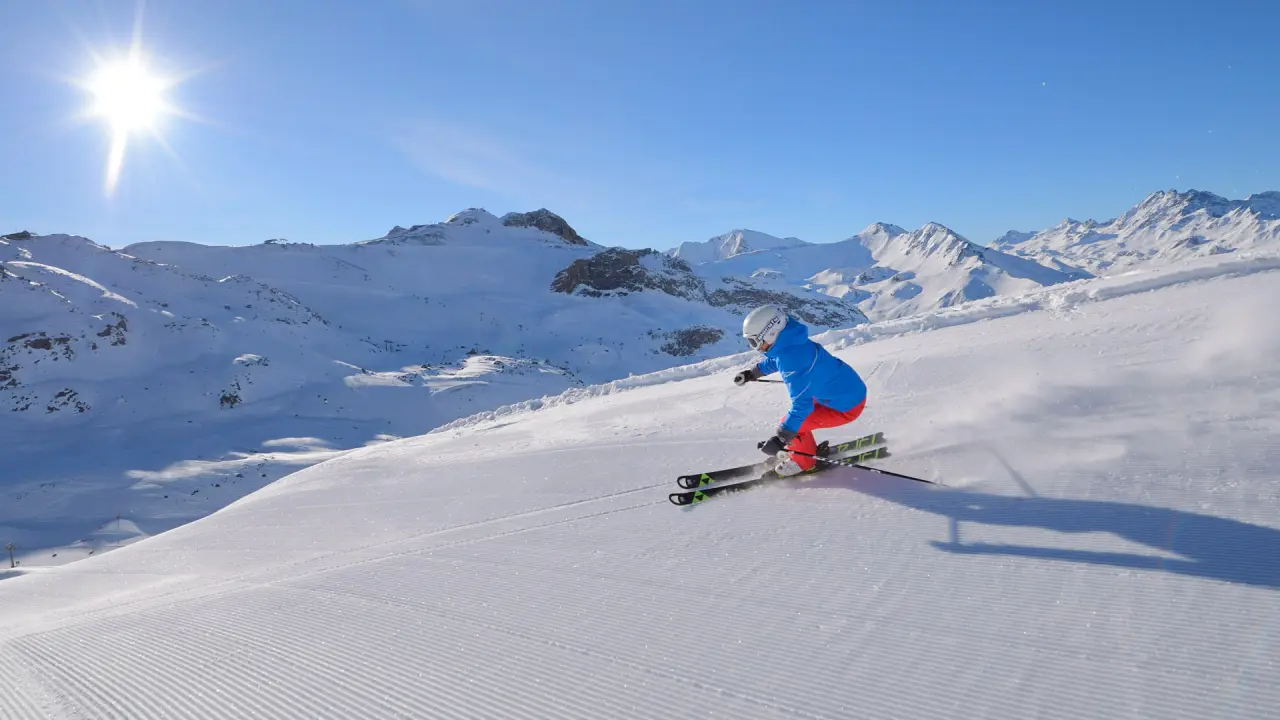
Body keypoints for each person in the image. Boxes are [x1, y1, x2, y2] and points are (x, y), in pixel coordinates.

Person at [734, 305, 868, 476]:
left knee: (792, 425)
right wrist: (753, 373)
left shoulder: (791, 361)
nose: (756, 347)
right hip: (847, 389)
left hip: (846, 407)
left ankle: (804, 463)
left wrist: (782, 438)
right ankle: (802, 449)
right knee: (793, 423)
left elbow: (802, 406)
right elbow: (779, 360)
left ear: (770, 333)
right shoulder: (793, 342)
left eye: (754, 341)